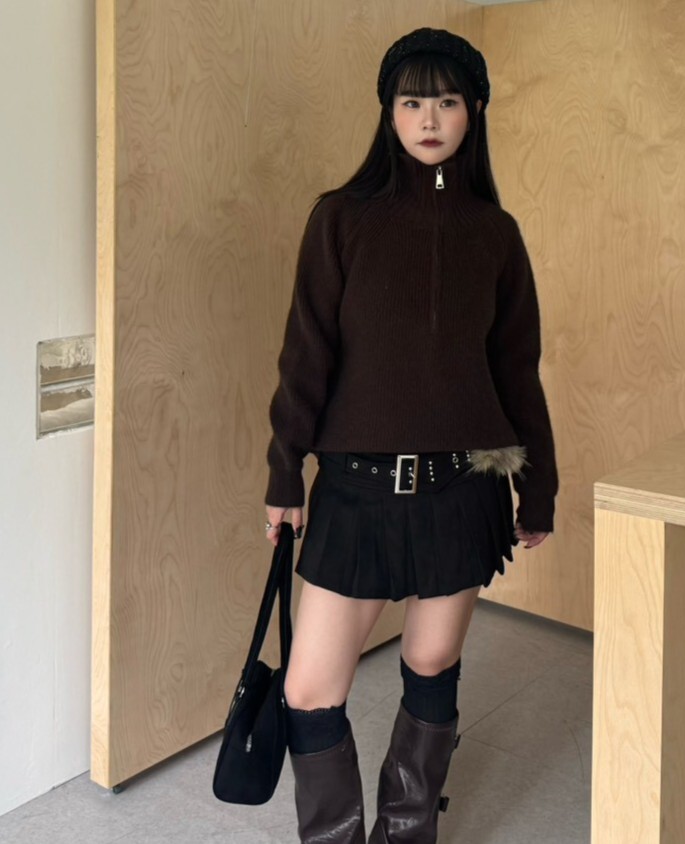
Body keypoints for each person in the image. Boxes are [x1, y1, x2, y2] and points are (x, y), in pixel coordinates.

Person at [263, 27, 557, 844]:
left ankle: (406, 830)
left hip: (460, 492)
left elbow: (517, 372)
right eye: (412, 101)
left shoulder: (495, 233)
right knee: (309, 689)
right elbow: (306, 357)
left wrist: (538, 487)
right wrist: (285, 474)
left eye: (448, 101)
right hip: (354, 495)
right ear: (389, 112)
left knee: (430, 664)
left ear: (474, 112)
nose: (429, 118)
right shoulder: (340, 218)